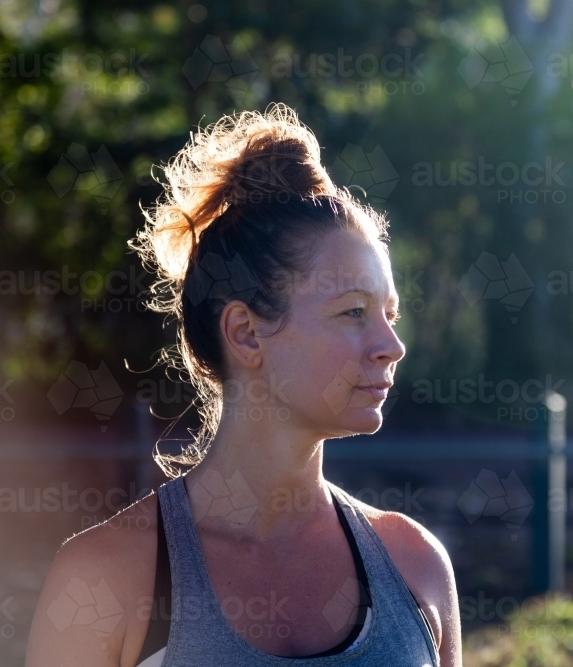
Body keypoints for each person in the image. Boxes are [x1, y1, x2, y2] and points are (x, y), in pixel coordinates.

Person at [25, 103, 461, 667]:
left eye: (390, 315)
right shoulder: (105, 579)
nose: (390, 346)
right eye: (354, 313)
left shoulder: (417, 566)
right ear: (246, 334)